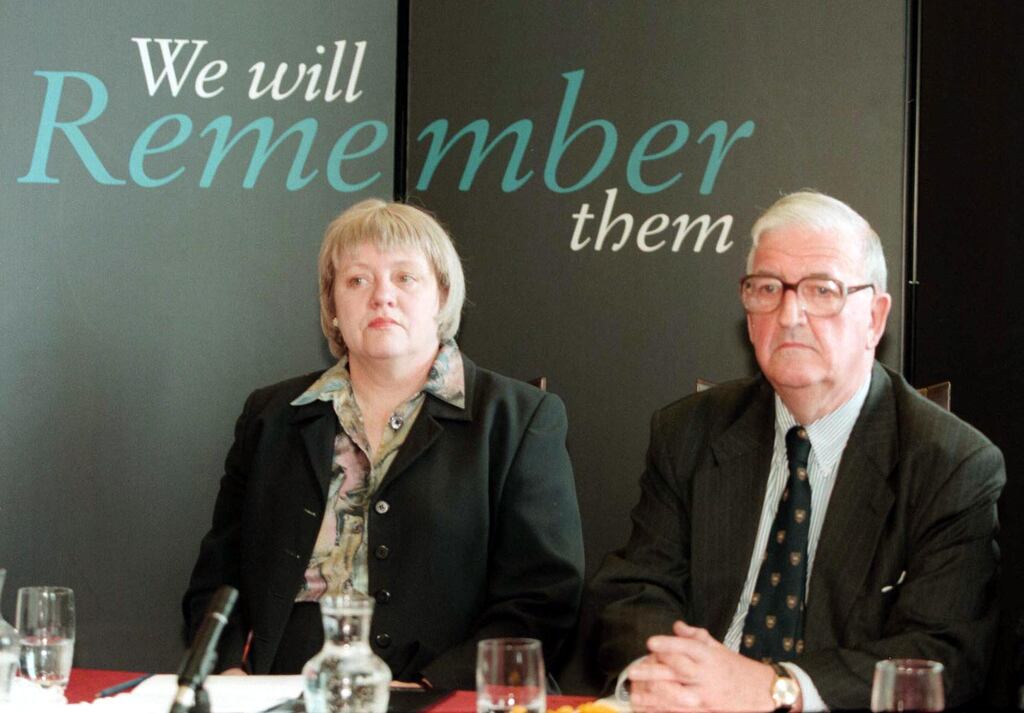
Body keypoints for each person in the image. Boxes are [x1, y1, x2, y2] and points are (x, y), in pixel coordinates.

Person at [587, 191, 1005, 711]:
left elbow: (941, 654)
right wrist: (669, 675)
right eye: (767, 288)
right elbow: (633, 593)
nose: (789, 314)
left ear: (874, 318)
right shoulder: (689, 432)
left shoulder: (951, 464)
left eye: (822, 290)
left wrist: (774, 687)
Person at [182, 199, 585, 689]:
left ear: (442, 295)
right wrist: (228, 673)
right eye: (357, 280)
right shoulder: (272, 417)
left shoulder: (519, 419)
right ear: (332, 308)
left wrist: (431, 688)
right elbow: (216, 581)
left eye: (405, 278)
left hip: (439, 693)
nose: (381, 297)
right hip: (275, 689)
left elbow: (543, 598)